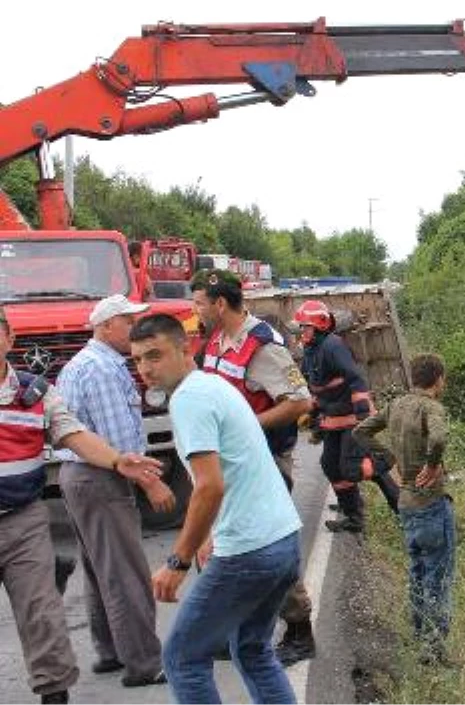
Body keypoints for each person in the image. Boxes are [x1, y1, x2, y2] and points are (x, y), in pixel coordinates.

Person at [131, 313, 301, 704]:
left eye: (155, 356)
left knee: (182, 658)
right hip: (282, 539)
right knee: (253, 651)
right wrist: (210, 534)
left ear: (185, 348)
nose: (146, 369)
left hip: (250, 552)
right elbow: (234, 468)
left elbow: (209, 486)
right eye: (138, 359)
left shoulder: (190, 398)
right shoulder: (213, 384)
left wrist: (178, 561)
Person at [0, 306, 163, 705]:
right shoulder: (93, 367)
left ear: (9, 338)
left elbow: (71, 432)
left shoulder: (35, 391)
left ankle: (54, 693)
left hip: (23, 519)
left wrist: (115, 459)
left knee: (43, 615)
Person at [189, 269, 317, 665]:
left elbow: (300, 402)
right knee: (222, 545)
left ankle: (299, 629)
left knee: (266, 548)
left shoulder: (263, 347)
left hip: (262, 464)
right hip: (225, 461)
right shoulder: (215, 340)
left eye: (198, 304)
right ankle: (226, 631)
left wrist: (247, 426)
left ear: (220, 304)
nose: (195, 312)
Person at [56, 295, 176, 688]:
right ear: (107, 326)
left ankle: (110, 650)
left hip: (78, 475)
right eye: (128, 321)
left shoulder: (84, 363)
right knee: (125, 572)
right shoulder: (103, 369)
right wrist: (151, 479)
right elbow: (118, 438)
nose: (134, 329)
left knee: (99, 567)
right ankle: (144, 663)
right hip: (101, 475)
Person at [352, 353, 456, 666]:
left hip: (406, 504)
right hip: (431, 504)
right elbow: (438, 436)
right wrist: (433, 464)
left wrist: (391, 459)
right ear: (438, 379)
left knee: (418, 571)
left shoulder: (396, 405)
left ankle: (418, 633)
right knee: (437, 578)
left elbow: (360, 431)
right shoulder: (431, 407)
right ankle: (433, 651)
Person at [294, 299, 400, 534]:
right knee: (331, 466)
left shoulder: (333, 346)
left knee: (351, 467)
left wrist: (363, 412)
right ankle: (354, 516)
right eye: (300, 327)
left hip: (354, 418)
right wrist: (312, 414)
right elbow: (313, 386)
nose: (302, 331)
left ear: (320, 325)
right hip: (334, 420)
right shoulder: (310, 351)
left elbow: (355, 378)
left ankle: (384, 468)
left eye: (305, 326)